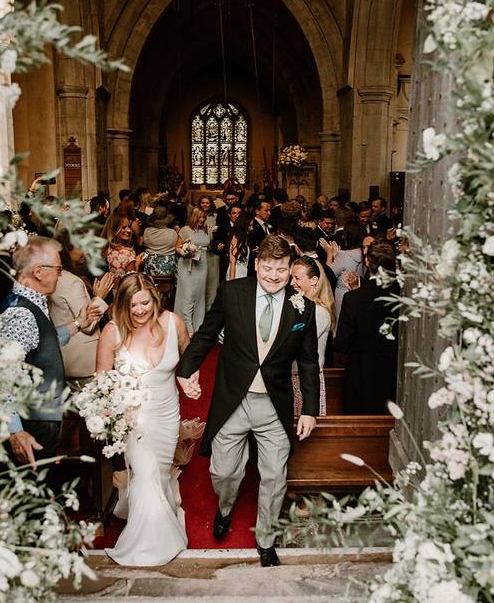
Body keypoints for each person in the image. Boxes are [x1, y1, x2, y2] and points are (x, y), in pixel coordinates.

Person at [177, 235, 319, 568]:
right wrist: (187, 368)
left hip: (275, 405)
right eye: (268, 268)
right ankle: (226, 508)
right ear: (256, 265)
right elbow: (207, 333)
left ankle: (266, 539)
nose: (273, 276)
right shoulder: (233, 293)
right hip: (234, 400)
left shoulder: (304, 308)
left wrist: (310, 409)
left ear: (289, 270)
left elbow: (310, 362)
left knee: (274, 476)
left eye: (281, 270)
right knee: (223, 472)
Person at [95, 274, 191, 566]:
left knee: (158, 474)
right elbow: (102, 378)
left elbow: (190, 358)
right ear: (122, 304)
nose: (139, 310)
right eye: (132, 305)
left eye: (144, 303)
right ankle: (148, 545)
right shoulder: (112, 332)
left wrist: (190, 379)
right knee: (146, 473)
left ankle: (164, 524)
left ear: (154, 298)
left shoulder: (173, 323)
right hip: (133, 419)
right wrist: (108, 410)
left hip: (166, 414)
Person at [0, 237, 91, 480]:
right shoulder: (20, 314)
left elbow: (43, 341)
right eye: (58, 269)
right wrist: (16, 431)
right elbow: (1, 377)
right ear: (39, 271)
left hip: (42, 418)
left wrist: (79, 324)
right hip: (32, 425)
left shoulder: (32, 304)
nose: (61, 275)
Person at [334, 240, 398, 414]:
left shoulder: (354, 299)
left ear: (367, 262)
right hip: (395, 378)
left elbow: (342, 344)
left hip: (361, 377)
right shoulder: (403, 296)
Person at [289, 255, 333, 417]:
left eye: (297, 278)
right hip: (292, 378)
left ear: (314, 280)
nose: (292, 282)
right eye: (291, 277)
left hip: (306, 381)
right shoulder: (298, 306)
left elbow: (297, 346)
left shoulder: (319, 312)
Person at [49, 268, 112, 379]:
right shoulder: (72, 282)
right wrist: (100, 297)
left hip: (64, 351)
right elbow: (87, 325)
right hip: (82, 358)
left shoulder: (54, 278)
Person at [175, 207, 210, 336]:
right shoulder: (185, 230)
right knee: (188, 295)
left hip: (202, 264)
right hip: (187, 265)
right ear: (194, 217)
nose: (202, 220)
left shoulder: (205, 230)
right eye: (200, 217)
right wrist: (185, 252)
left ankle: (198, 326)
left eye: (204, 217)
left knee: (200, 296)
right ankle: (187, 327)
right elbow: (177, 247)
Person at [325, 222, 368, 326]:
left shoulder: (344, 255)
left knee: (342, 325)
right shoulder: (365, 254)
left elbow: (328, 273)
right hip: (360, 293)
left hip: (343, 295)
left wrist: (329, 254)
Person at [102, 209, 146, 288]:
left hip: (113, 292)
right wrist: (137, 263)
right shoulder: (127, 254)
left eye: (129, 226)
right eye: (124, 227)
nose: (129, 230)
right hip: (125, 294)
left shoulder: (107, 249)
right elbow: (132, 282)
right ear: (114, 229)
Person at [197, 195, 221, 310]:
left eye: (207, 203)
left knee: (212, 281)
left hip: (212, 252)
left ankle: (210, 307)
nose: (205, 205)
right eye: (203, 202)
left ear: (211, 204)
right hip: (199, 252)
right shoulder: (195, 216)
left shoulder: (216, 216)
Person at [141, 206, 179, 277]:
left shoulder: (147, 231)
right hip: (169, 264)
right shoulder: (172, 233)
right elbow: (177, 247)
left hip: (151, 264)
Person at [226, 212, 251, 281]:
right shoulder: (235, 238)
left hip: (243, 272)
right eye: (250, 226)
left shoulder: (245, 239)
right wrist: (231, 282)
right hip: (235, 273)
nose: (251, 228)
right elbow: (232, 262)